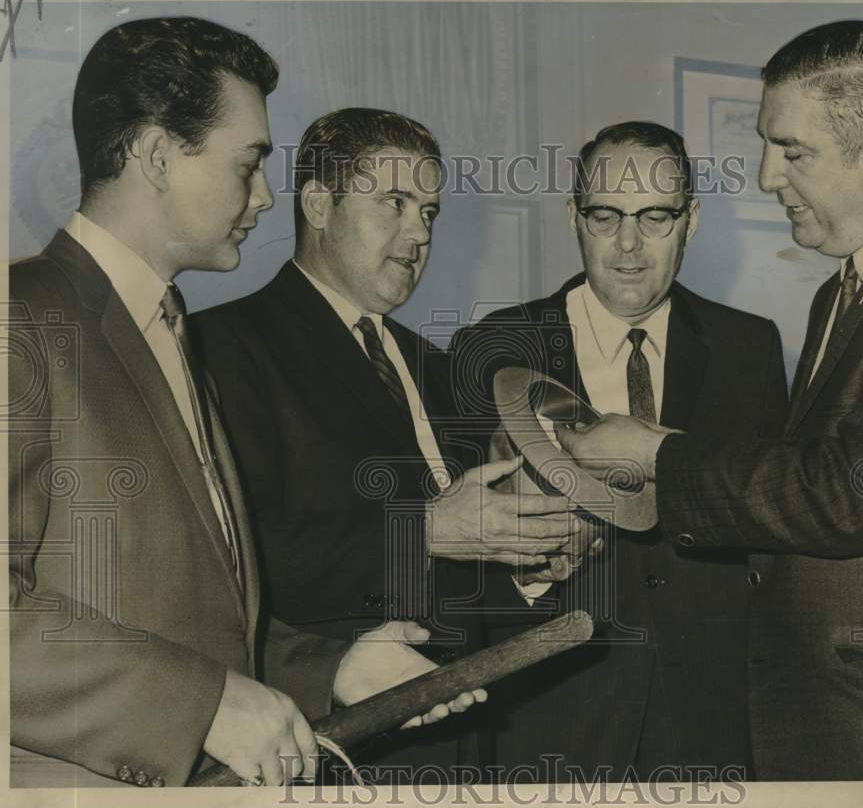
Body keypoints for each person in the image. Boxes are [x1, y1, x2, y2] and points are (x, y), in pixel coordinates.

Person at [8, 17, 482, 789]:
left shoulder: (169, 329)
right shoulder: (20, 316)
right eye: (249, 163)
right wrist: (204, 703)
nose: (266, 196)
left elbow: (202, 619)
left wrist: (331, 666)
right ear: (159, 157)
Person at [555, 21, 863, 780]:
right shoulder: (839, 292)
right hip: (828, 711)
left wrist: (655, 453)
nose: (766, 176)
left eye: (792, 151)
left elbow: (854, 489)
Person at [193, 108, 580, 776]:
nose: (417, 234)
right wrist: (422, 530)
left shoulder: (436, 367)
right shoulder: (222, 348)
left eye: (429, 211)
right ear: (319, 202)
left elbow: (460, 566)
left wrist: (526, 564)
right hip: (327, 748)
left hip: (460, 749)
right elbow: (236, 561)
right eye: (394, 203)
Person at [449, 121, 788, 782]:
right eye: (606, 216)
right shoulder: (491, 348)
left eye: (655, 216)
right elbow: (456, 571)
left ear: (691, 220)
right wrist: (533, 560)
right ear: (574, 216)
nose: (628, 245)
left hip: (709, 727)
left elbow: (767, 527)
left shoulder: (751, 347)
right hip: (552, 724)